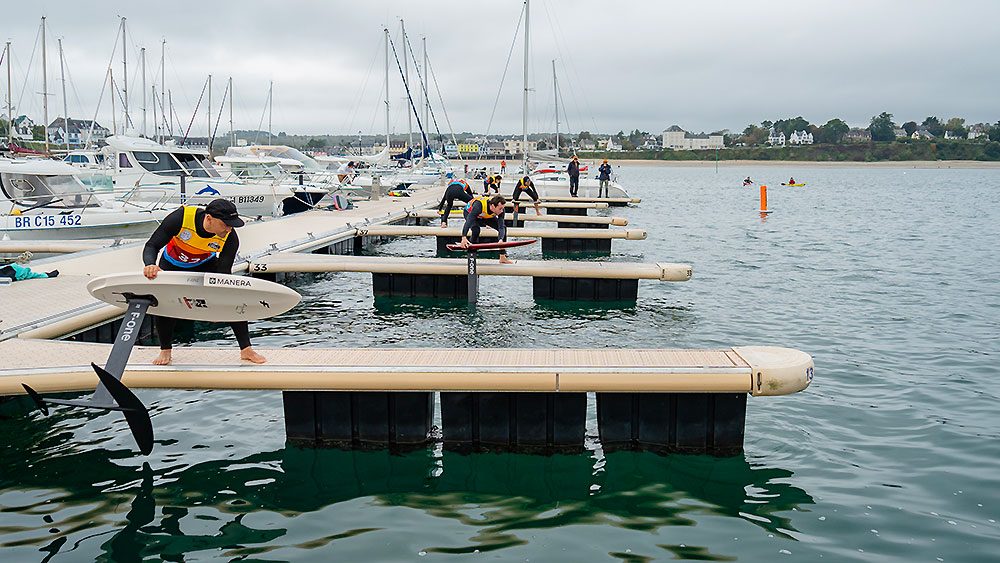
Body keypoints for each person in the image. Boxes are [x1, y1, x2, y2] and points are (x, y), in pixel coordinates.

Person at [141, 199, 266, 366]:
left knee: (233, 297)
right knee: (165, 303)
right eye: (225, 224)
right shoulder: (181, 218)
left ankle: (246, 349)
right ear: (209, 218)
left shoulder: (230, 238)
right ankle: (165, 350)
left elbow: (223, 276)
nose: (229, 228)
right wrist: (150, 264)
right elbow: (152, 245)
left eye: (232, 225)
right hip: (172, 264)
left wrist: (216, 307)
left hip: (204, 265)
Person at [460, 195, 513, 264]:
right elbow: (469, 221)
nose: (502, 211)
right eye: (500, 209)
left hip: (484, 216)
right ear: (493, 206)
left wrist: (500, 239)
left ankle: (502, 257)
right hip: (469, 213)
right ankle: (471, 255)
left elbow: (501, 227)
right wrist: (464, 237)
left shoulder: (500, 210)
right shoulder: (478, 206)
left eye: (503, 208)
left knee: (504, 228)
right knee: (476, 230)